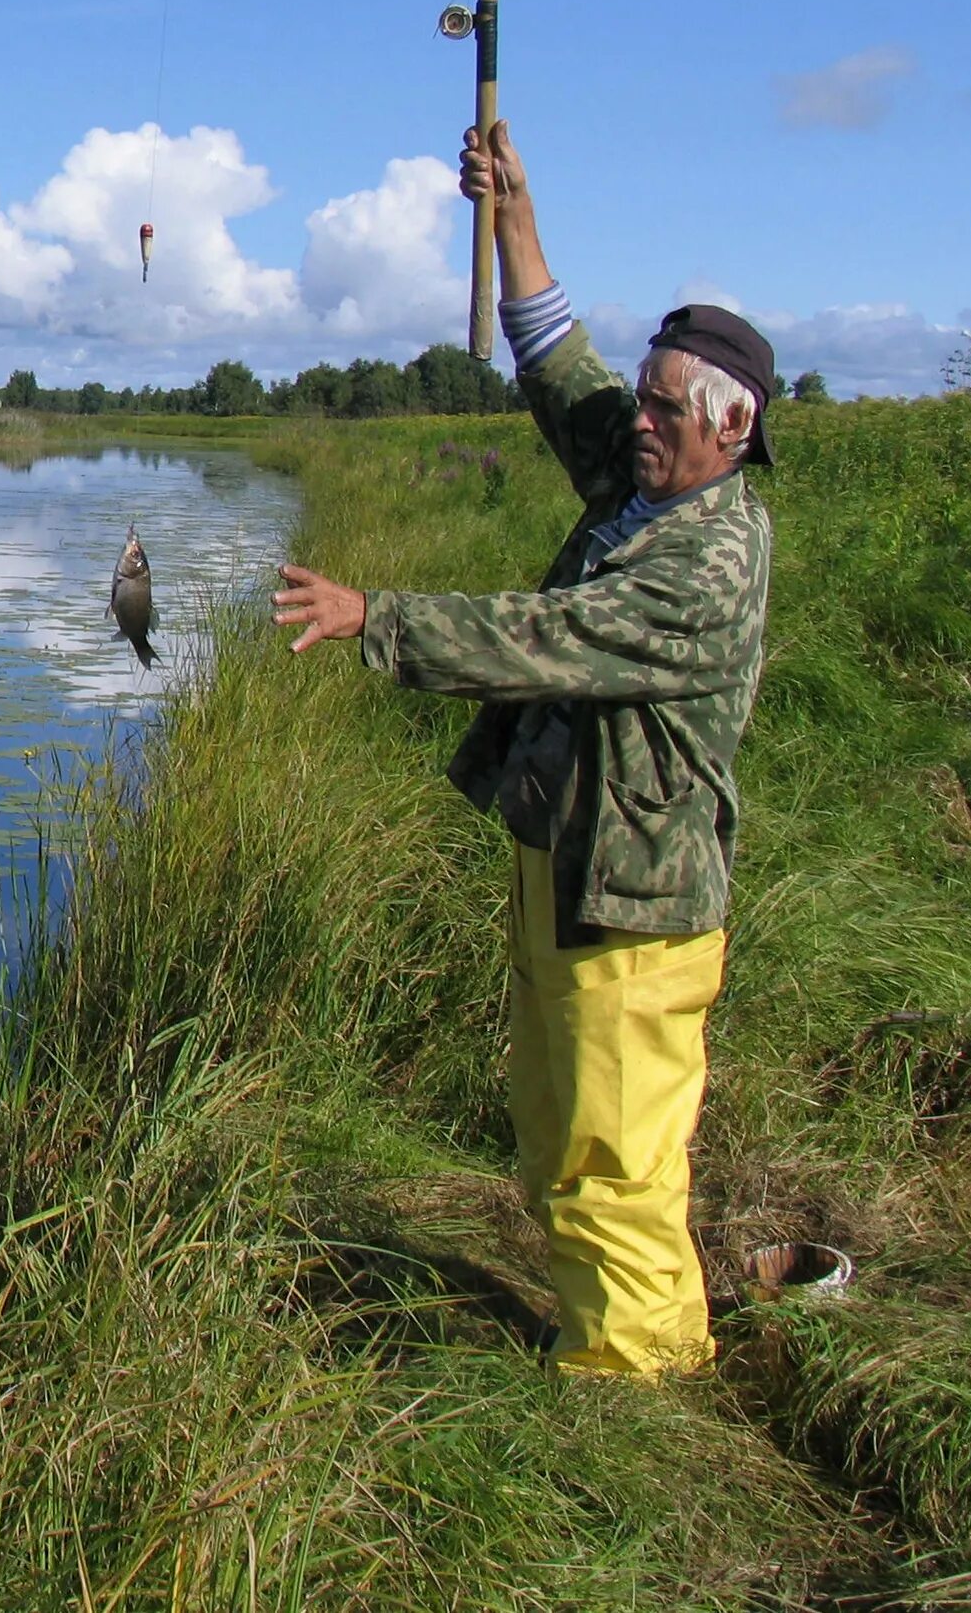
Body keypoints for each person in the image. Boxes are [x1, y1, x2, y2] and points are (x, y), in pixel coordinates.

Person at [270, 119, 778, 1377]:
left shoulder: (703, 556)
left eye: (663, 411)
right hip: (571, 864)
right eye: (649, 405)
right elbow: (562, 365)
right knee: (557, 1120)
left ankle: (634, 1379)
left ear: (730, 426)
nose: (639, 424)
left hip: (640, 900)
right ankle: (586, 1323)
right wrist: (511, 216)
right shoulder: (653, 479)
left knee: (617, 1148)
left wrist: (372, 617)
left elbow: (548, 637)